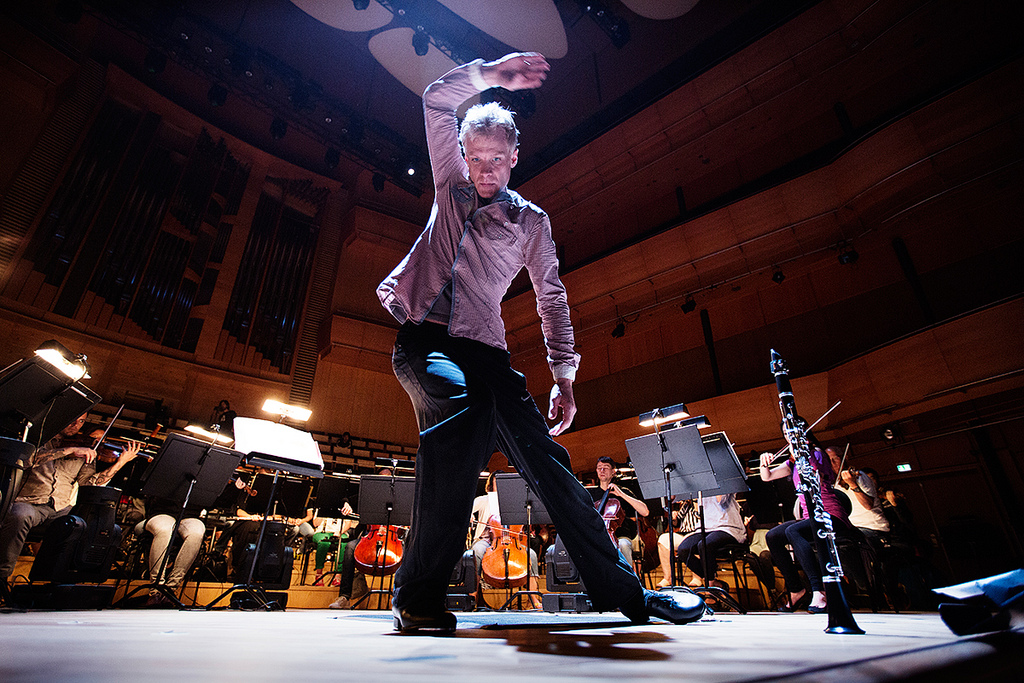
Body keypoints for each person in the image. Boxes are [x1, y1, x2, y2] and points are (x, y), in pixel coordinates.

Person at [375, 51, 704, 633]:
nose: (484, 171)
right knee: (458, 413)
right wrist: (492, 75)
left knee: (551, 466)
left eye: (497, 161)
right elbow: (435, 99)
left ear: (515, 158)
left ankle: (629, 597)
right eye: (476, 159)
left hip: (487, 354)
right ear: (463, 156)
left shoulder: (532, 223)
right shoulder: (449, 184)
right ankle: (417, 597)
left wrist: (565, 376)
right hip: (424, 342)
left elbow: (552, 298)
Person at [0, 416, 141, 592]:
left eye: (81, 422)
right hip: (31, 502)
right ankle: (2, 577)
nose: (76, 425)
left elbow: (89, 484)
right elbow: (28, 460)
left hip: (61, 507)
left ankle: (60, 582)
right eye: (74, 419)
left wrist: (120, 463)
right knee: (19, 515)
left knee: (86, 524)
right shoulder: (41, 439)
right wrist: (68, 450)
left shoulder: (85, 451)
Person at [759, 440, 851, 614]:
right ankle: (796, 590)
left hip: (830, 514)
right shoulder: (793, 462)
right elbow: (767, 477)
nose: (788, 438)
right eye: (786, 434)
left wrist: (801, 454)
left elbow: (815, 478)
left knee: (792, 530)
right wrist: (764, 463)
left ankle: (819, 590)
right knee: (773, 536)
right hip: (809, 517)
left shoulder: (816, 454)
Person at [470, 472, 541, 609]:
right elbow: (467, 509)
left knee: (531, 554)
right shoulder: (483, 499)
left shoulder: (515, 501)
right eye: (497, 482)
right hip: (487, 540)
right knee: (476, 551)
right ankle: (473, 595)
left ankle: (533, 598)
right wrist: (470, 516)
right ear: (491, 484)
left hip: (512, 540)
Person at [656, 494, 745, 591]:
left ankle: (710, 588)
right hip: (705, 527)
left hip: (727, 526)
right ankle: (712, 581)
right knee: (684, 549)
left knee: (704, 545)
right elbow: (675, 497)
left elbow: (721, 499)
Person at [590, 457, 648, 567]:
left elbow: (645, 512)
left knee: (623, 544)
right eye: (599, 468)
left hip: (621, 536)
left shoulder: (623, 491)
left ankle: (628, 581)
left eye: (606, 468)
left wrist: (621, 494)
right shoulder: (591, 494)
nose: (602, 470)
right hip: (599, 537)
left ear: (613, 472)